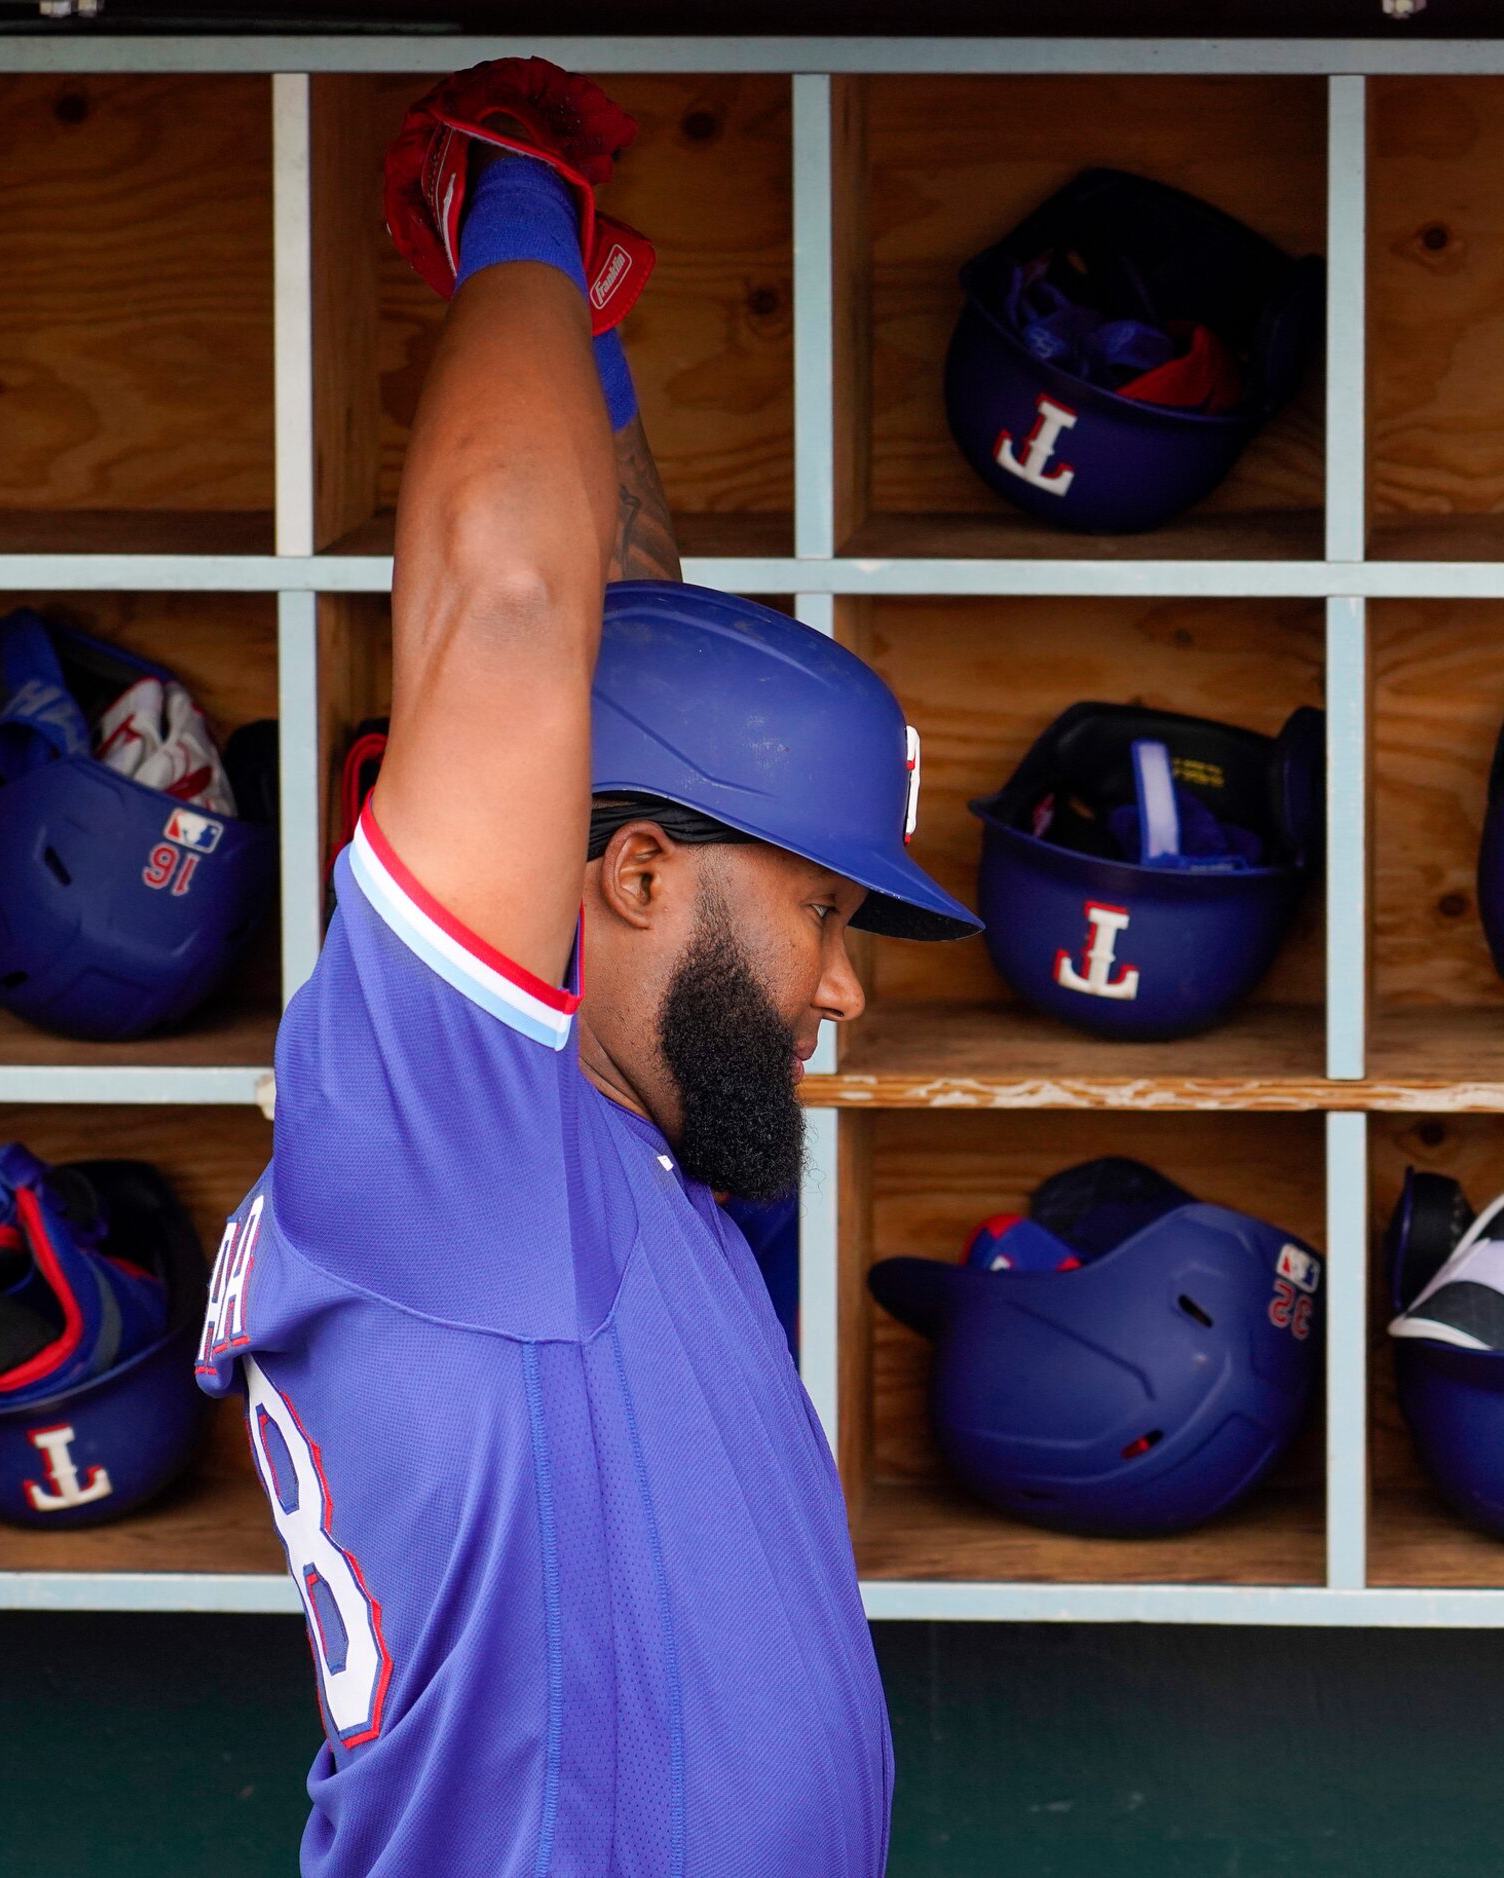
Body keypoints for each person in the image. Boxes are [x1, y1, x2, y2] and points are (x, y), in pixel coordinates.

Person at [192, 59, 977, 1877]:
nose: (842, 987)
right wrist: (514, 222)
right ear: (630, 872)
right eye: (826, 914)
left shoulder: (614, 1144)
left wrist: (600, 374)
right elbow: (517, 602)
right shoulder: (462, 1150)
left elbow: (612, 635)